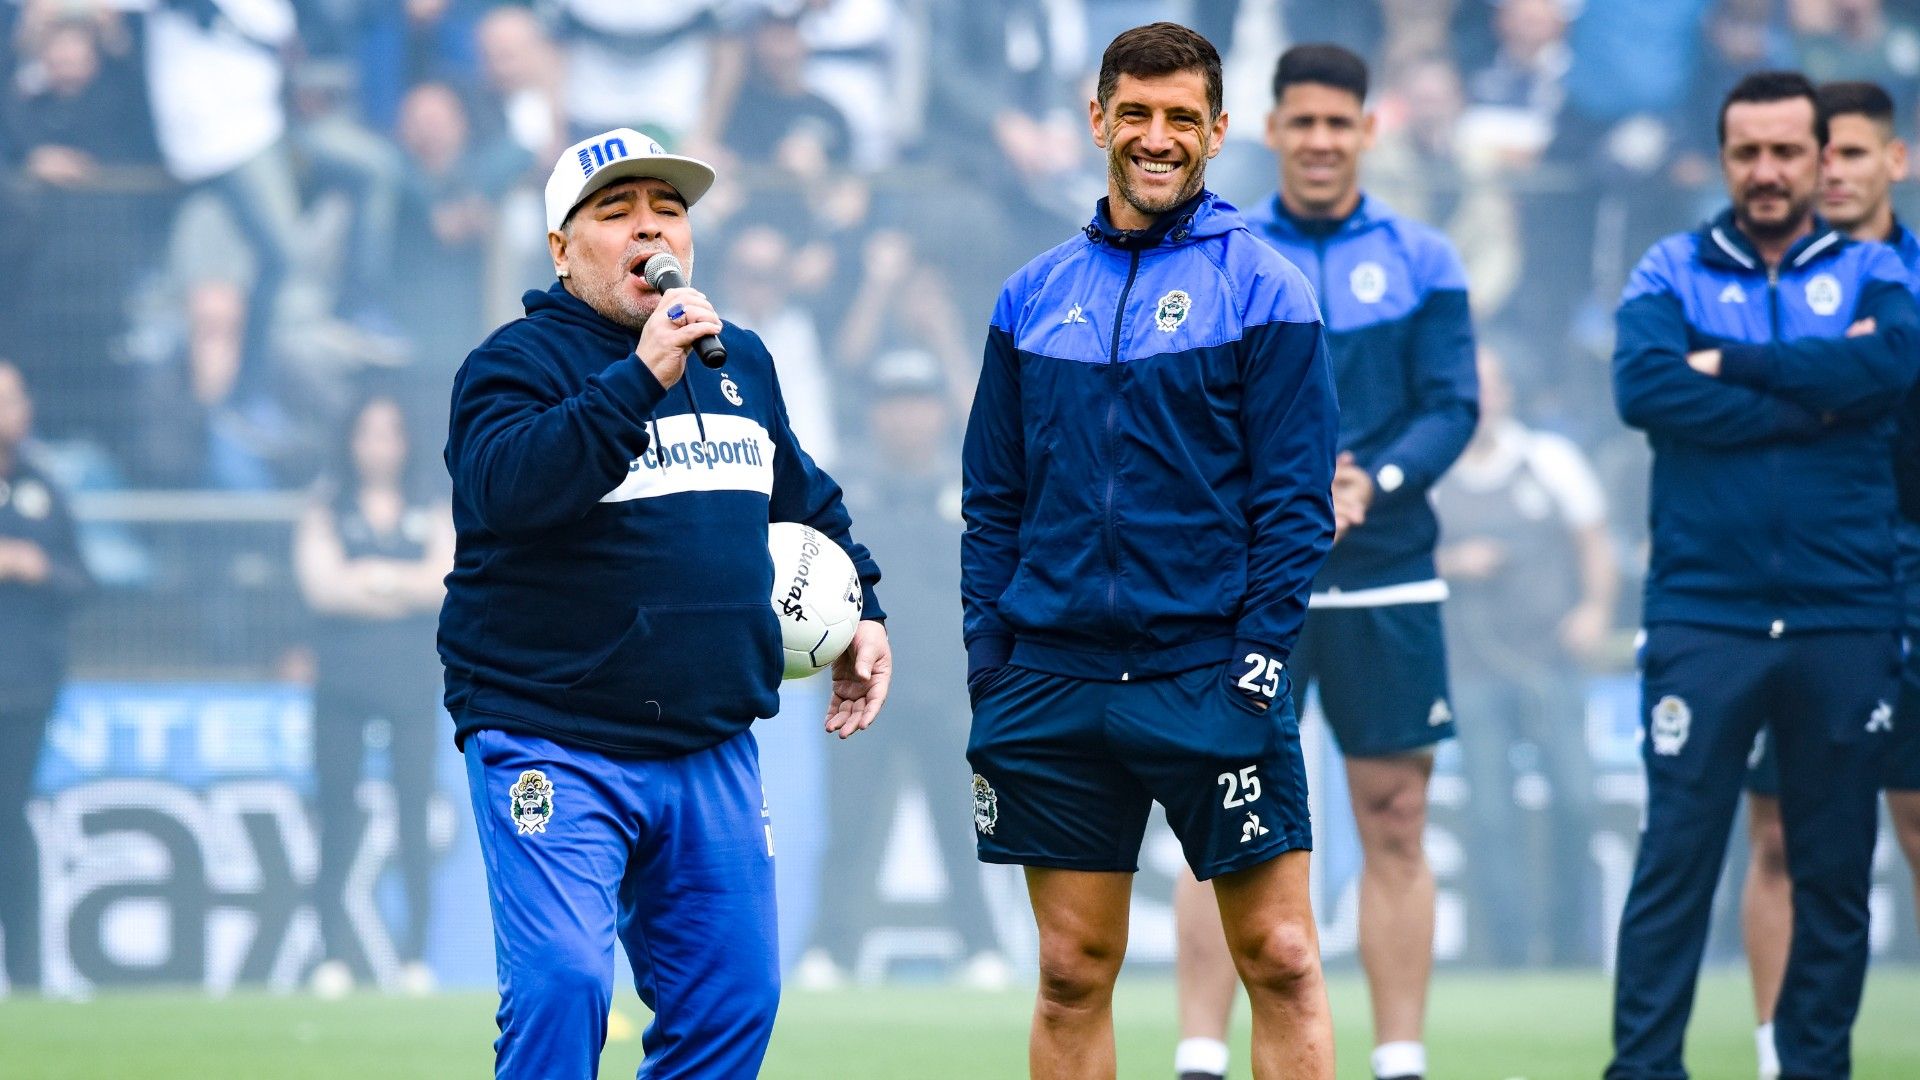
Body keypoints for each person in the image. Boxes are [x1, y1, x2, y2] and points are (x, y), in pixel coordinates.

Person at [438, 128, 891, 1079]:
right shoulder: (510, 365)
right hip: (551, 730)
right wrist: (641, 376)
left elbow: (803, 498)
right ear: (560, 249)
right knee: (563, 986)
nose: (652, 230)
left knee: (735, 1008)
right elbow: (505, 491)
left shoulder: (740, 361)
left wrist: (866, 609)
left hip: (708, 737)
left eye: (669, 210)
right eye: (616, 213)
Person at [963, 23, 1339, 1080]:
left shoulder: (1266, 287)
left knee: (1281, 955)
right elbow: (992, 504)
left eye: (1182, 118)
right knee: (1073, 971)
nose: (1157, 137)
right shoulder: (1030, 296)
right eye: (1136, 113)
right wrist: (990, 669)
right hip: (1053, 681)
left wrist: (1256, 672)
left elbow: (1296, 508)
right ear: (1097, 120)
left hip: (1207, 672)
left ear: (1219, 132)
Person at [1172, 43, 1479, 1080]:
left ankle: (1399, 1061)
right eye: (1299, 123)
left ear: (1368, 131)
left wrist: (1369, 486)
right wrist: (1287, 491)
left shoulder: (1425, 256)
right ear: (1272, 129)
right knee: (1222, 814)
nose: (1317, 141)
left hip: (1388, 569)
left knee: (1395, 819)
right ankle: (1200, 1056)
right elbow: (1193, 406)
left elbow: (1452, 406)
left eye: (1336, 124)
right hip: (1252, 577)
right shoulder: (1222, 250)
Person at [1607, 71, 1920, 1080]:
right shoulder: (1670, 267)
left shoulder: (1878, 272)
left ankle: (1812, 1069)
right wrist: (1817, 395)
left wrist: (1729, 367)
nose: (1769, 171)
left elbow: (1892, 372)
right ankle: (1645, 1069)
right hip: (1707, 613)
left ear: (1822, 155)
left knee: (1834, 876)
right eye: (1749, 152)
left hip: (1844, 611)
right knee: (1675, 864)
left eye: (1789, 151)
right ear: (1723, 156)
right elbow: (1644, 388)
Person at [1735, 79, 1920, 1080]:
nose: (1833, 171)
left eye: (1854, 153)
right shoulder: (1747, 278)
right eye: (1823, 152)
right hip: (1793, 574)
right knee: (1776, 831)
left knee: (1919, 817)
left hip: (1909, 566)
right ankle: (1779, 1062)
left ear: (1895, 161)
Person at [794, 349, 1008, 991]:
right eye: (893, 404)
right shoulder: (840, 495)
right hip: (858, 689)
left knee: (965, 824)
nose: (906, 418)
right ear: (874, 413)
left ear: (941, 412)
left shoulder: (976, 488)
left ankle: (983, 947)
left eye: (919, 403)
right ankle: (831, 950)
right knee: (852, 825)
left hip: (952, 690)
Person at [1434, 345, 1616, 968]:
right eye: (1471, 387)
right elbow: (1398, 554)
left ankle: (1574, 948)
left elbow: (1595, 541)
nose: (1483, 400)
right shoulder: (1435, 468)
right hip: (1471, 669)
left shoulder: (1549, 460)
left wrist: (1593, 609)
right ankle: (1508, 956)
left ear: (1508, 393)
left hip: (1551, 664)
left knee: (1576, 801)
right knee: (1489, 815)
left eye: (1492, 386)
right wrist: (1455, 564)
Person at [296, 391, 454, 999]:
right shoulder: (325, 505)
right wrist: (401, 583)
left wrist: (369, 577)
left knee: (415, 816)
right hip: (340, 685)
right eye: (367, 433)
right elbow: (321, 588)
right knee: (336, 816)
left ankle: (415, 957)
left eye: (390, 433)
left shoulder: (429, 504)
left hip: (413, 682)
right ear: (350, 440)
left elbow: (445, 582)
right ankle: (331, 956)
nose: (379, 446)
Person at [0, 360, 91, 995]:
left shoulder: (44, 488)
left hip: (25, 687)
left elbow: (83, 580)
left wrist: (35, 567)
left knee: (11, 820)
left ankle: (26, 976)